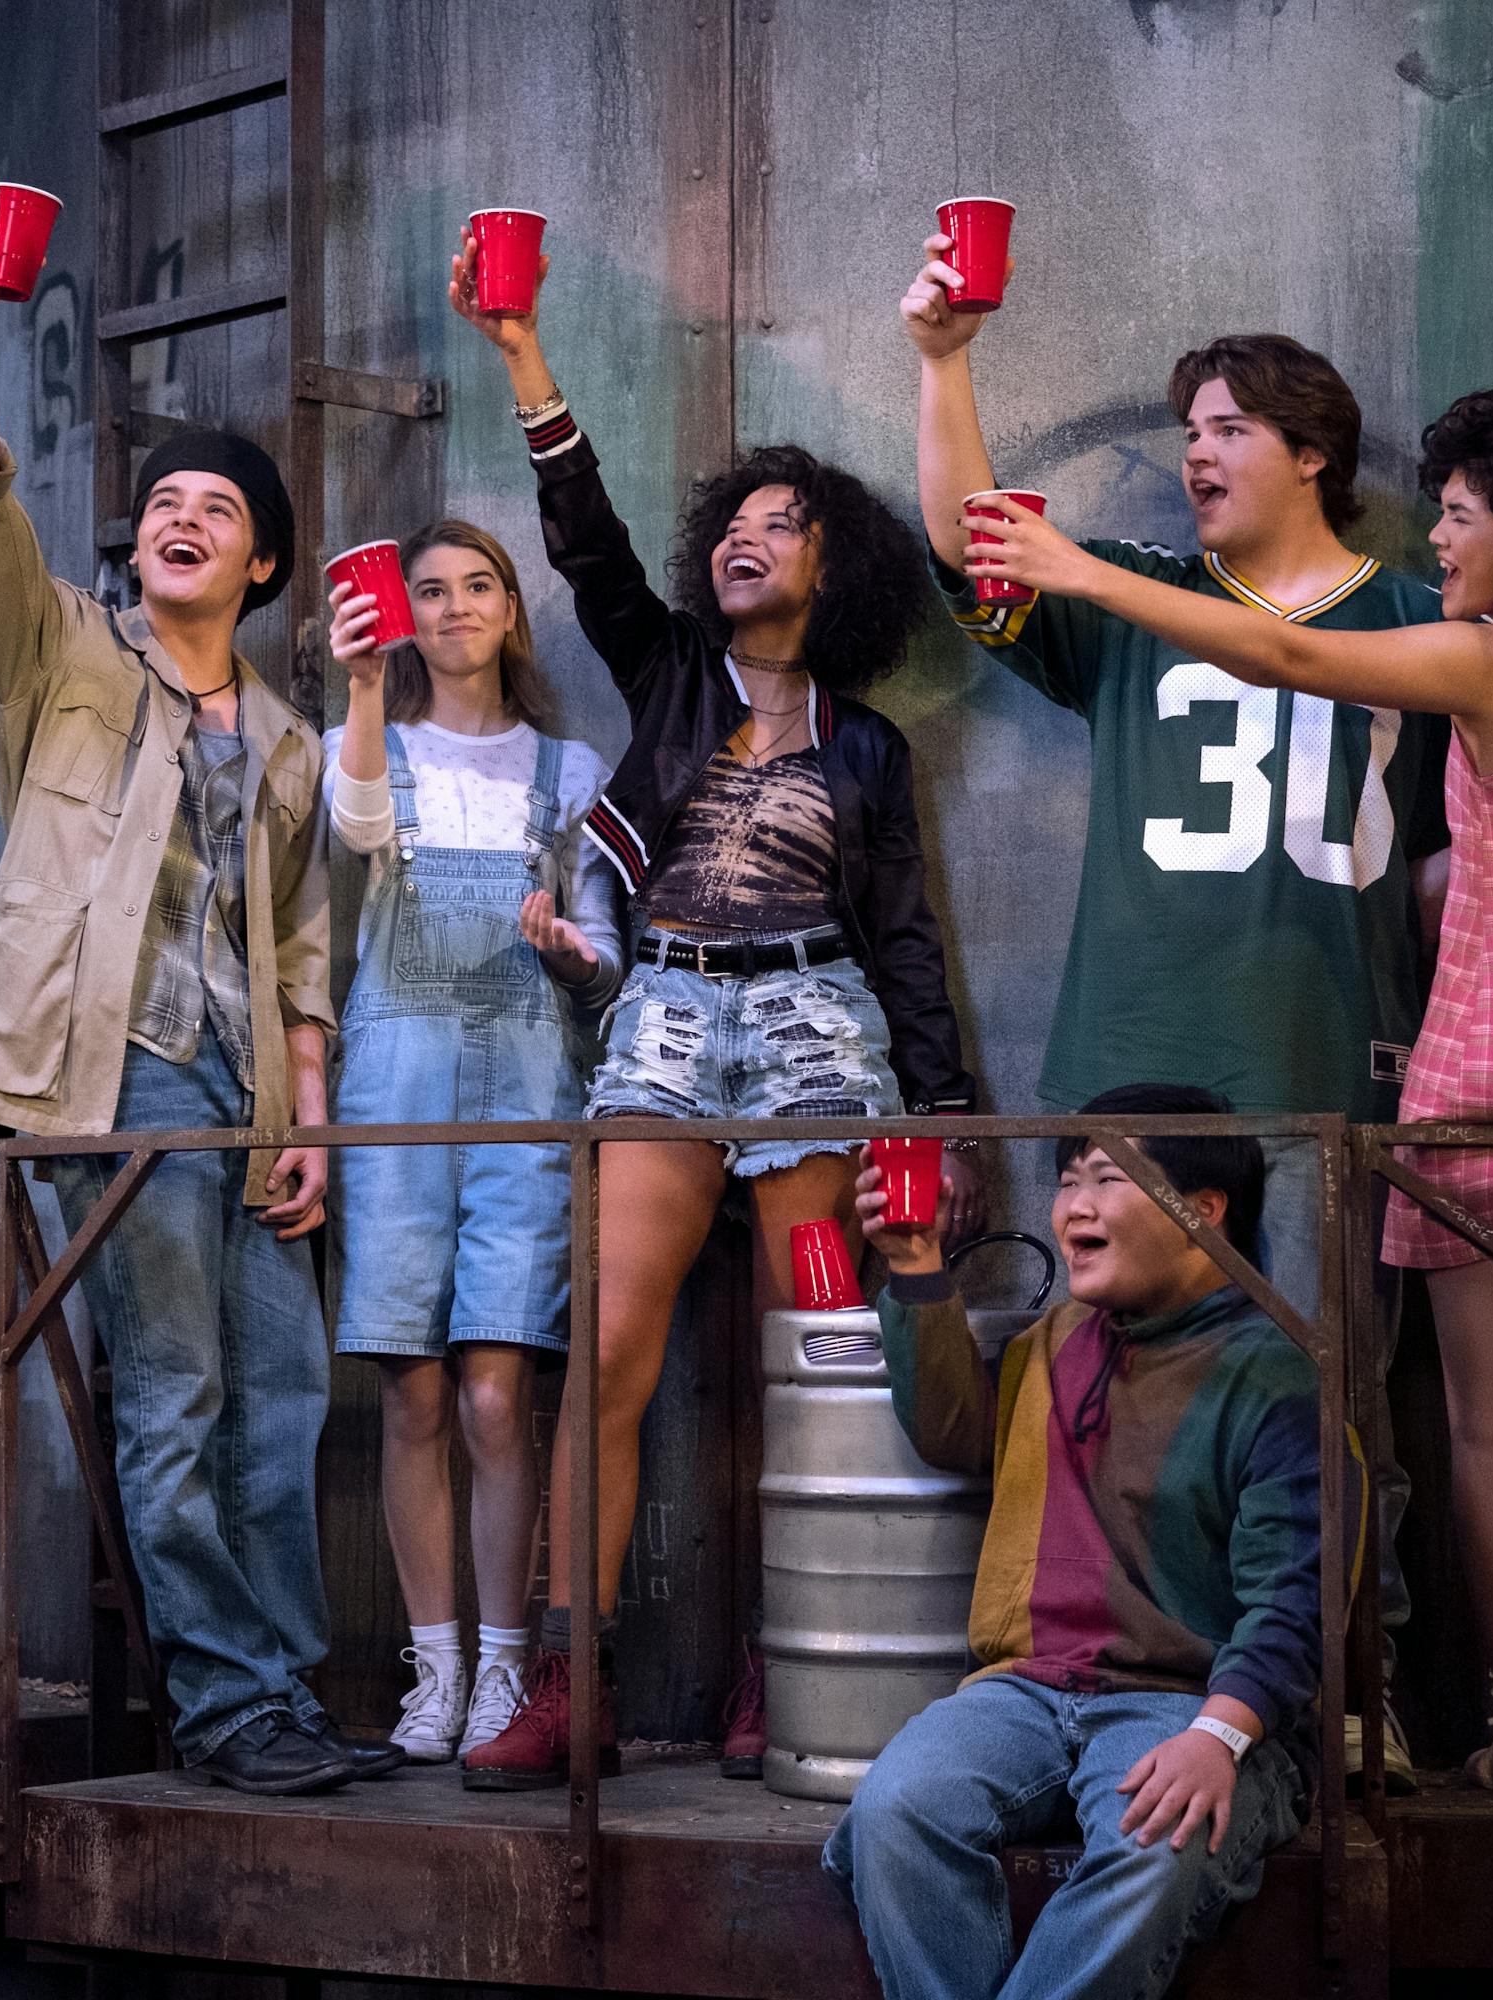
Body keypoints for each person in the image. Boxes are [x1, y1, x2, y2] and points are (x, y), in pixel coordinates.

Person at [961, 388, 1493, 1801]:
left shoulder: (1492, 662)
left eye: (1459, 516)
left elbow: (1282, 649)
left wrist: (1083, 572)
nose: (1440, 535)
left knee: (1486, 1432)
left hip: (1484, 1088)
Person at [451, 226, 983, 1789]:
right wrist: (522, 351)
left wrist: (945, 1127)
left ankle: (787, 1673)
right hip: (667, 1032)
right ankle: (573, 1682)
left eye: (783, 526)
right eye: (736, 524)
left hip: (819, 1045)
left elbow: (903, 942)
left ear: (837, 568)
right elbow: (587, 544)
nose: (748, 541)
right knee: (608, 1353)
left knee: (801, 1369)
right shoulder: (671, 670)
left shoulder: (868, 747)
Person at [903, 242, 1441, 1783]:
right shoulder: (1125, 593)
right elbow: (969, 553)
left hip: (1318, 1065)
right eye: (1187, 427)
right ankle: (1104, 1689)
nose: (1194, 451)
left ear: (1311, 451)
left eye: (1224, 427)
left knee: (1341, 1407)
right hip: (1130, 1073)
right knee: (1108, 1407)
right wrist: (945, 363)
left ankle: (1350, 1687)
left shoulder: (1410, 611)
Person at [0, 212, 399, 1796]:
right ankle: (227, 1706)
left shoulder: (289, 733)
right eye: (162, 503)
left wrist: (309, 1123)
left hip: (246, 1091)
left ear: (263, 564)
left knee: (285, 1399)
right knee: (177, 1395)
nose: (180, 520)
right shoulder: (63, 653)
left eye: (217, 509)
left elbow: (315, 935)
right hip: (110, 1073)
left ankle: (282, 1693)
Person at [825, 1084, 1349, 2000]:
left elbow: (1295, 1602)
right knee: (896, 1809)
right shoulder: (1057, 1340)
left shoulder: (1280, 1376)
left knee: (1159, 1845)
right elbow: (957, 1433)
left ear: (1203, 1210)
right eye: (1067, 1181)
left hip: (1184, 1703)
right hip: (1025, 1692)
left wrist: (1220, 1740)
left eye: (1107, 1178)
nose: (1074, 1206)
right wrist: (913, 1267)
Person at [321, 519, 624, 1765]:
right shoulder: (373, 747)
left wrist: (572, 952)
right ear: (407, 617)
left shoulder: (569, 768)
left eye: (476, 586)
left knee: (500, 1395)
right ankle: (432, 1669)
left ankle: (507, 1671)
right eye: (429, 590)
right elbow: (349, 833)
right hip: (395, 1098)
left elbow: (606, 950)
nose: (451, 607)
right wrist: (355, 678)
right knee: (413, 1393)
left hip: (522, 1102)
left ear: (513, 609)